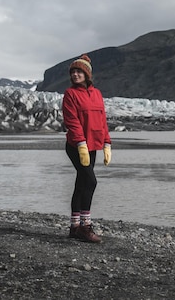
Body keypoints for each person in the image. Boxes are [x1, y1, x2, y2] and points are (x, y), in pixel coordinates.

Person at [61, 54, 112, 243]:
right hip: (76, 146)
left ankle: (74, 227)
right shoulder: (70, 94)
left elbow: (102, 120)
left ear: (87, 74)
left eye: (79, 71)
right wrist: (81, 143)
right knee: (91, 182)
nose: (75, 75)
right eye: (73, 72)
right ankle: (85, 226)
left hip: (93, 145)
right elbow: (72, 121)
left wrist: (107, 143)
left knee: (81, 183)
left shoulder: (97, 93)